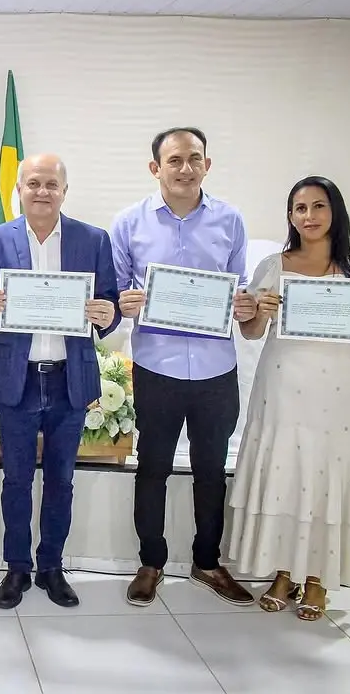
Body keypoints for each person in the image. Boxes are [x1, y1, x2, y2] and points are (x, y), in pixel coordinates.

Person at [229, 176, 350, 621]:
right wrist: (254, 313)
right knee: (287, 476)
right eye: (299, 208)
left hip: (336, 395)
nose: (308, 216)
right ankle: (284, 572)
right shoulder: (274, 265)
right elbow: (251, 332)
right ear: (290, 216)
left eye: (318, 206)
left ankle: (318, 580)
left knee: (325, 477)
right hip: (281, 391)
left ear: (335, 212)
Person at [110, 127, 258, 608]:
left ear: (207, 165)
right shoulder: (129, 222)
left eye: (195, 158)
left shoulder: (231, 221)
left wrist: (244, 305)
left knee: (212, 470)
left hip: (217, 368)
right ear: (156, 168)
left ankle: (207, 563)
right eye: (174, 160)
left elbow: (241, 291)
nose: (185, 168)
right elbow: (111, 295)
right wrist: (124, 302)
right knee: (152, 468)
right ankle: (151, 561)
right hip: (156, 366)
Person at [0, 153, 120, 609]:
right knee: (16, 481)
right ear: (18, 189)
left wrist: (107, 312)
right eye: (33, 183)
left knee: (61, 481)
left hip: (68, 380)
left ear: (64, 190)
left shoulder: (92, 239)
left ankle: (52, 567)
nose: (42, 191)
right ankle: (16, 568)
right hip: (16, 378)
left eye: (51, 184)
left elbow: (109, 303)